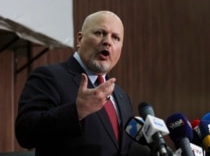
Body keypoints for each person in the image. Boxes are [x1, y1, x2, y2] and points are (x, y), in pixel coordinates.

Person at [15, 10, 136, 156]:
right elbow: (25, 133)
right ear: (79, 39)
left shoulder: (121, 96)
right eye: (99, 33)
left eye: (116, 38)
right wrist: (77, 111)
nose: (108, 42)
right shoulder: (50, 77)